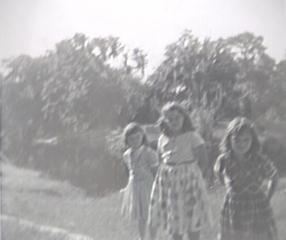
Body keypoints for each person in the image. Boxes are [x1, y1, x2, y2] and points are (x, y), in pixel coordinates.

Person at [146, 102, 212, 240]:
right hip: (169, 183)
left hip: (189, 180)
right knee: (174, 220)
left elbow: (204, 160)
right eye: (169, 119)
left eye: (177, 118)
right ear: (164, 120)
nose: (174, 121)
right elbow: (160, 159)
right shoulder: (162, 139)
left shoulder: (192, 136)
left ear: (184, 118)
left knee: (192, 218)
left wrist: (198, 179)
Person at [214, 117, 278, 240]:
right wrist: (227, 185)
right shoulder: (224, 160)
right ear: (229, 140)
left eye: (246, 140)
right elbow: (217, 172)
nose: (241, 144)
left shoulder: (259, 160)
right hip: (234, 205)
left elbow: (274, 177)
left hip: (256, 205)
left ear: (253, 140)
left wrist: (268, 196)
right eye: (237, 140)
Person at [120, 122, 159, 240]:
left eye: (137, 137)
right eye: (131, 139)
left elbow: (156, 172)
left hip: (148, 186)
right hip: (135, 187)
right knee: (140, 215)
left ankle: (153, 237)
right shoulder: (127, 155)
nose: (135, 141)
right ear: (127, 140)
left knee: (150, 214)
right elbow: (130, 170)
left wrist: (157, 188)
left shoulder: (149, 153)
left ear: (143, 136)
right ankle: (142, 237)